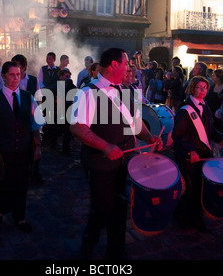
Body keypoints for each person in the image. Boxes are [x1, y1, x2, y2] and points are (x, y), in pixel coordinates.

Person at [70, 47, 163, 259]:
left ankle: (115, 252)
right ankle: (89, 241)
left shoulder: (125, 90)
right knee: (103, 208)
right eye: (126, 63)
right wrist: (104, 146)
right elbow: (77, 127)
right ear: (114, 65)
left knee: (120, 208)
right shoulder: (87, 92)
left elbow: (135, 123)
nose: (128, 68)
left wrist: (149, 137)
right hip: (100, 164)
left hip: (126, 163)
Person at [0, 61, 45, 233]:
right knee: (4, 183)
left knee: (22, 184)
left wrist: (38, 146)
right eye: (12, 74)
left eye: (18, 74)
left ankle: (20, 217)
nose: (15, 78)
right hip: (3, 150)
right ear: (3, 76)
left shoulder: (27, 97)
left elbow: (36, 123)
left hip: (24, 149)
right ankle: (1, 211)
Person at [172, 76, 223, 231]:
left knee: (200, 188)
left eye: (205, 87)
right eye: (199, 87)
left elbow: (210, 131)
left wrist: (221, 137)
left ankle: (192, 217)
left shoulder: (206, 107)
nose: (203, 90)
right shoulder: (185, 110)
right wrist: (190, 150)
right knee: (190, 189)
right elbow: (177, 135)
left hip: (203, 156)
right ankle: (186, 218)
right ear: (192, 89)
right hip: (189, 157)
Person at [12, 54, 43, 184]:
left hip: (30, 117)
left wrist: (36, 114)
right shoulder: (11, 79)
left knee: (35, 143)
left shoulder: (33, 80)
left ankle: (35, 172)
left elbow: (38, 97)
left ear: (24, 67)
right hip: (15, 118)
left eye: (17, 66)